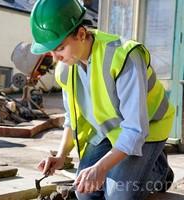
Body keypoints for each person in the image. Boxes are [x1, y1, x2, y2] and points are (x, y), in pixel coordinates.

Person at [30, 0, 175, 199]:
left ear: (81, 34)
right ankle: (140, 166)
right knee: (84, 191)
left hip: (147, 129)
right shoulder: (66, 70)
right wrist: (61, 156)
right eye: (51, 51)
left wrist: (101, 168)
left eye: (60, 48)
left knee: (119, 195)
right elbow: (72, 119)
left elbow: (135, 129)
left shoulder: (124, 56)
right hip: (109, 133)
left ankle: (158, 170)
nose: (56, 58)